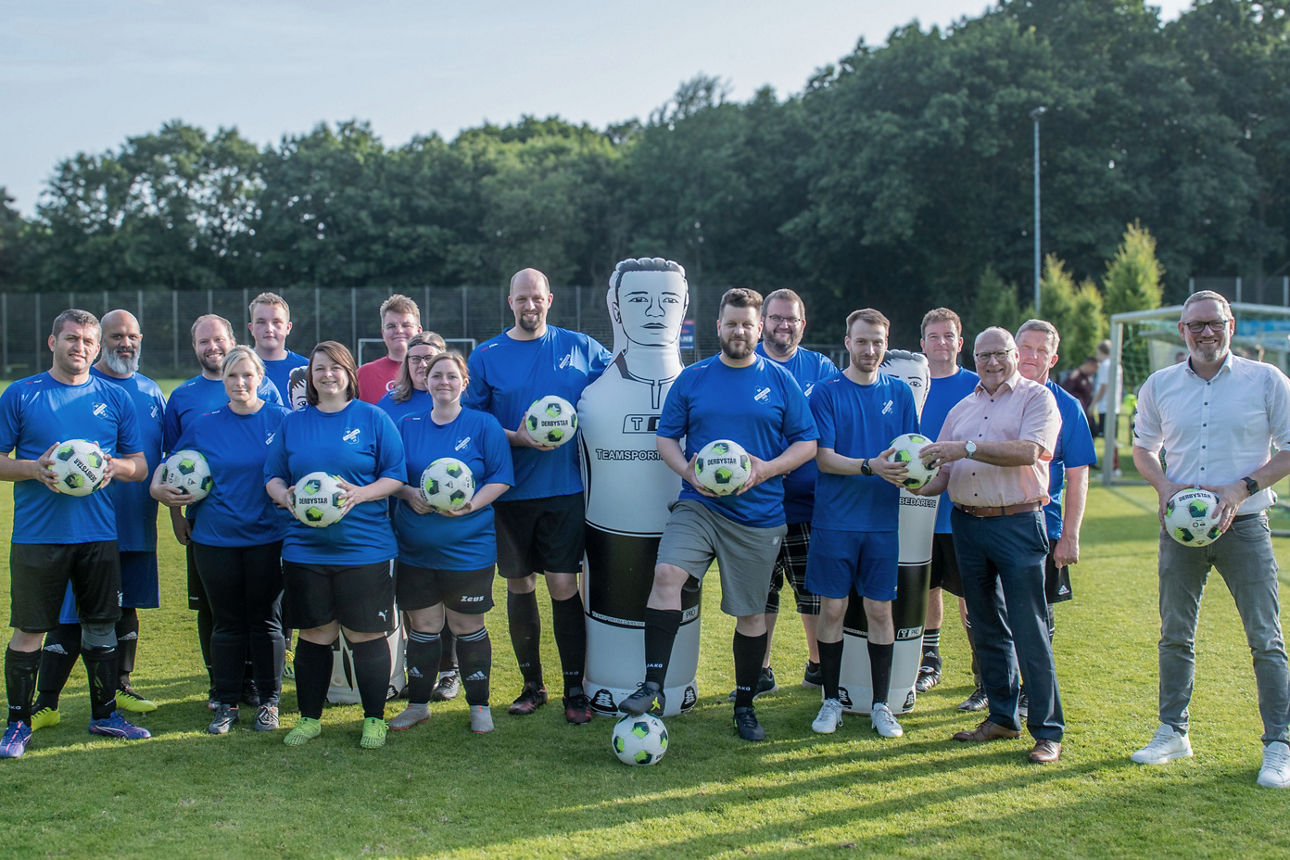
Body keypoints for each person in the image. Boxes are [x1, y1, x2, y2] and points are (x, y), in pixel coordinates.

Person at [618, 288, 818, 742]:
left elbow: (807, 442)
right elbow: (666, 438)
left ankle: (745, 705)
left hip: (757, 515)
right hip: (700, 505)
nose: (739, 331)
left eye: (747, 324)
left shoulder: (780, 380)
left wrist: (766, 469)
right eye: (732, 324)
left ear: (760, 328)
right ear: (719, 327)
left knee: (751, 614)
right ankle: (651, 684)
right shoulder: (693, 378)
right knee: (667, 574)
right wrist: (688, 470)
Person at [1129, 290, 1290, 789]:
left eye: (1214, 323)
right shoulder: (1160, 384)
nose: (1205, 332)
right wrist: (1164, 487)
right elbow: (1143, 448)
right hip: (1180, 531)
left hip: (1245, 526)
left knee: (1265, 637)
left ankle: (1280, 744)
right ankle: (1173, 732)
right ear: (1182, 331)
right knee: (1175, 633)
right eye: (1195, 324)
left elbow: (1289, 449)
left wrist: (1241, 489)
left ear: (1230, 325)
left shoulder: (1266, 380)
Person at [1, 309, 150, 759]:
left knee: (101, 627)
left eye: (87, 341)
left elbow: (140, 465)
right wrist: (34, 468)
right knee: (30, 630)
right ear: (53, 342)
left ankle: (105, 715)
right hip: (37, 535)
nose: (79, 348)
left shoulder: (115, 398)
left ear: (97, 346)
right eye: (71, 339)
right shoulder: (22, 394)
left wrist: (113, 467)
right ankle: (17, 723)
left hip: (98, 534)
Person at [464, 268, 611, 724]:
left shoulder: (581, 347)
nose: (530, 305)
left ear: (550, 299)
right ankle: (532, 686)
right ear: (510, 302)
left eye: (537, 297)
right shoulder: (486, 355)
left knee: (563, 585)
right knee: (520, 584)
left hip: (565, 489)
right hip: (509, 491)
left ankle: (574, 689)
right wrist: (518, 438)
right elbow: (475, 424)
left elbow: (620, 384)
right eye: (521, 298)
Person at [915, 327, 1064, 764]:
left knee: (1029, 628)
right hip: (968, 524)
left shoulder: (1037, 398)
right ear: (974, 359)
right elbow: (943, 472)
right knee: (985, 626)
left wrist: (966, 448)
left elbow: (1030, 451)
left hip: (1018, 522)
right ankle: (1001, 717)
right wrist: (913, 483)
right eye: (984, 356)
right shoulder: (963, 408)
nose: (992, 362)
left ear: (1014, 355)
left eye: (1000, 353)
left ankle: (1048, 731)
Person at [29, 309, 166, 730]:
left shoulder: (150, 390)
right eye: (116, 336)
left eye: (132, 336)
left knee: (123, 607)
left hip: (137, 520)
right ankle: (46, 700)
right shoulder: (83, 387)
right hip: (86, 524)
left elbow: (162, 459)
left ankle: (119, 688)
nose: (125, 343)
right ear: (100, 342)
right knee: (73, 613)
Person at [265, 341, 406, 749]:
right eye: (319, 368)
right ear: (310, 377)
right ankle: (309, 719)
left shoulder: (373, 418)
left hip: (365, 548)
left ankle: (374, 719)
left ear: (349, 373)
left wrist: (360, 494)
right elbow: (272, 475)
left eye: (335, 367)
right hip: (305, 549)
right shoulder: (294, 423)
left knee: (365, 634)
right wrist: (285, 496)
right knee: (315, 634)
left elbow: (395, 474)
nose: (327, 375)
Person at [155, 346, 290, 734]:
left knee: (267, 622)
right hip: (215, 539)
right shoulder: (205, 425)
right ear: (224, 381)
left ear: (260, 378)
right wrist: (158, 491)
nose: (240, 382)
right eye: (232, 376)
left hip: (269, 537)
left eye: (247, 375)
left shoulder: (282, 419)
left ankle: (269, 702)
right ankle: (226, 703)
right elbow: (169, 468)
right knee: (226, 623)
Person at [389, 351, 513, 734]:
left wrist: (472, 504)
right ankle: (418, 705)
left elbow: (501, 477)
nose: (444, 382)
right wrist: (409, 493)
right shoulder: (407, 425)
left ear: (464, 382)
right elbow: (392, 476)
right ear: (425, 382)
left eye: (451, 376)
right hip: (416, 548)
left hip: (468, 548)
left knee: (465, 624)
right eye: (437, 375)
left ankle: (479, 707)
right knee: (424, 625)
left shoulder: (484, 424)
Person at [806, 309, 917, 739]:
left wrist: (920, 474)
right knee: (833, 609)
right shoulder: (826, 392)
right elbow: (823, 458)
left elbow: (911, 453)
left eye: (877, 342)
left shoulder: (900, 394)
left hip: (882, 523)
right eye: (862, 341)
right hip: (835, 521)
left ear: (886, 344)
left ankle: (880, 706)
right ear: (847, 342)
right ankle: (831, 700)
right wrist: (870, 466)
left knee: (879, 610)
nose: (870, 349)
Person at [745, 288, 837, 698]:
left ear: (803, 324)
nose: (784, 325)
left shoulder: (820, 367)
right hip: (756, 503)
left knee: (812, 591)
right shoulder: (745, 363)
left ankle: (818, 666)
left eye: (791, 319)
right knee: (761, 592)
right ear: (763, 321)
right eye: (776, 317)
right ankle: (760, 670)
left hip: (809, 503)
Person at [374, 330, 460, 701]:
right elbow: (378, 463)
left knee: (449, 598)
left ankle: (450, 670)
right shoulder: (390, 404)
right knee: (413, 600)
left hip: (448, 521)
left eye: (429, 357)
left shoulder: (456, 400)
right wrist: (407, 493)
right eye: (415, 359)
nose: (422, 364)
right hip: (402, 516)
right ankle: (416, 665)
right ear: (406, 365)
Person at [1015, 320, 1095, 644]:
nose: (1031, 356)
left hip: (1043, 529)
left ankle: (1035, 678)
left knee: (1038, 619)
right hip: (993, 525)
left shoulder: (1068, 407)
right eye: (1026, 347)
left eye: (1041, 350)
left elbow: (1078, 477)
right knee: (991, 616)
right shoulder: (992, 398)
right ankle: (990, 677)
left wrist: (1070, 536)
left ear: (1053, 359)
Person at [915, 308, 979, 705]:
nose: (941, 343)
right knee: (927, 586)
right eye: (934, 336)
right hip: (919, 508)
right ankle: (930, 661)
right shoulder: (908, 386)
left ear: (960, 342)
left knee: (972, 592)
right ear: (922, 344)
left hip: (966, 510)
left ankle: (983, 668)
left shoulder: (977, 385)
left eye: (948, 336)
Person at [357, 294, 423, 404]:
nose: (399, 331)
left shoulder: (432, 372)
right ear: (383, 333)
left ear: (419, 331)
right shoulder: (364, 374)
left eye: (406, 325)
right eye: (391, 326)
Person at [247, 292, 309, 403]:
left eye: (276, 322)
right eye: (261, 322)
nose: (269, 329)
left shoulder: (307, 369)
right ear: (251, 328)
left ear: (288, 327)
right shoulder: (236, 367)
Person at [1060, 356, 1098, 425]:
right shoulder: (1075, 375)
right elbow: (1065, 390)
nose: (1096, 371)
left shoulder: (1089, 377)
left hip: (1085, 414)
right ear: (1089, 365)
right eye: (1095, 368)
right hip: (1076, 415)